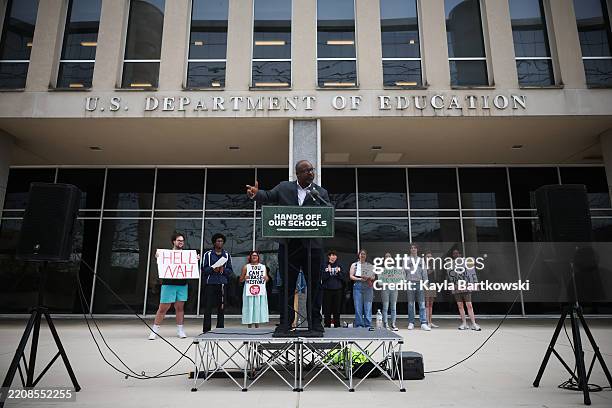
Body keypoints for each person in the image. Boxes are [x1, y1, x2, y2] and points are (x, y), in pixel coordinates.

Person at [246, 160, 331, 334]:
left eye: (312, 170)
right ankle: (286, 323)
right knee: (287, 286)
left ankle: (315, 322)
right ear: (298, 174)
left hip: (312, 247)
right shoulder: (284, 188)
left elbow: (328, 211)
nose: (311, 173)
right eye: (307, 170)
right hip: (289, 245)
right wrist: (256, 194)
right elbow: (268, 196)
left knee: (315, 286)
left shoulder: (319, 192)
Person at [149, 232, 197, 340]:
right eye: (179, 240)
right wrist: (158, 258)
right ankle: (154, 331)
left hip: (182, 284)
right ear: (174, 241)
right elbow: (161, 263)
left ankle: (180, 330)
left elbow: (190, 267)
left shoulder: (186, 255)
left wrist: (195, 260)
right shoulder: (167, 254)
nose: (181, 242)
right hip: (168, 284)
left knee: (180, 308)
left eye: (182, 240)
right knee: (163, 308)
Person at [201, 233, 234, 333]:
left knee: (221, 306)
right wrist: (212, 269)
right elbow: (203, 268)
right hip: (210, 283)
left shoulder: (227, 255)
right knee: (208, 306)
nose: (220, 243)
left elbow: (230, 270)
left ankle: (220, 328)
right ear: (214, 242)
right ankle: (206, 330)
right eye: (218, 241)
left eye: (221, 241)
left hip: (222, 284)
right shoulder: (208, 254)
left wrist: (223, 270)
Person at [446, 248, 481, 331]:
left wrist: (475, 282)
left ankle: (473, 323)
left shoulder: (466, 262)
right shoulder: (450, 264)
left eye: (457, 253)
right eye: (454, 253)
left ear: (460, 254)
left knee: (469, 305)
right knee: (460, 306)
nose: (456, 255)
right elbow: (450, 276)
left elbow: (472, 272)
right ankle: (464, 323)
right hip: (456, 287)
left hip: (466, 286)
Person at [240, 251, 269, 328]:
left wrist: (266, 278)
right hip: (249, 290)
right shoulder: (246, 267)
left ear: (258, 257)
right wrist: (244, 278)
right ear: (250, 257)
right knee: (249, 306)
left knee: (257, 307)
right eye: (253, 255)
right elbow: (241, 279)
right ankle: (249, 326)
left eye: (256, 255)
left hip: (259, 290)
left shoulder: (263, 267)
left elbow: (266, 278)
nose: (254, 257)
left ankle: (257, 326)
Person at [406, 244, 431, 331]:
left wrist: (426, 283)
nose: (413, 249)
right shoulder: (406, 260)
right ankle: (411, 322)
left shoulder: (421, 260)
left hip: (420, 283)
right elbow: (402, 272)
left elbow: (424, 272)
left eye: (415, 248)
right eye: (412, 248)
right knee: (410, 304)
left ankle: (423, 323)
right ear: (410, 250)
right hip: (410, 283)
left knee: (422, 304)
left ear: (417, 249)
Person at [349, 249, 375, 328]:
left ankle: (368, 324)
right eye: (361, 254)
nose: (362, 255)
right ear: (359, 255)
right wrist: (360, 279)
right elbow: (351, 276)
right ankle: (359, 324)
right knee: (358, 306)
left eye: (364, 254)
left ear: (366, 256)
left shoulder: (369, 265)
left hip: (367, 287)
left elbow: (373, 277)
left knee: (368, 306)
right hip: (358, 286)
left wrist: (368, 277)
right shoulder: (354, 265)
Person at [379, 252, 403, 331]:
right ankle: (385, 323)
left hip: (394, 289)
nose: (388, 257)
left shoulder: (395, 269)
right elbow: (380, 282)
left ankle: (393, 324)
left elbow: (400, 279)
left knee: (393, 307)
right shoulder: (381, 269)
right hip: (385, 289)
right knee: (385, 307)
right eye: (386, 256)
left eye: (389, 256)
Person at [321, 250, 344, 328]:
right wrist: (328, 272)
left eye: (335, 255)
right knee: (327, 308)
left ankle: (337, 324)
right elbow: (322, 278)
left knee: (336, 308)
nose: (334, 257)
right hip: (327, 289)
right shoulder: (324, 265)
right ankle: (327, 324)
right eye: (332, 255)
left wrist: (338, 273)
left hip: (337, 289)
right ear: (329, 256)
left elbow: (343, 278)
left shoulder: (339, 265)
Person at [424, 250, 439, 328]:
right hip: (426, 285)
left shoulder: (433, 265)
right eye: (428, 256)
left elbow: (435, 276)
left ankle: (430, 321)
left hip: (433, 285)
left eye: (430, 256)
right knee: (427, 304)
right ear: (425, 257)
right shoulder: (423, 266)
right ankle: (427, 321)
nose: (429, 258)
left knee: (431, 304)